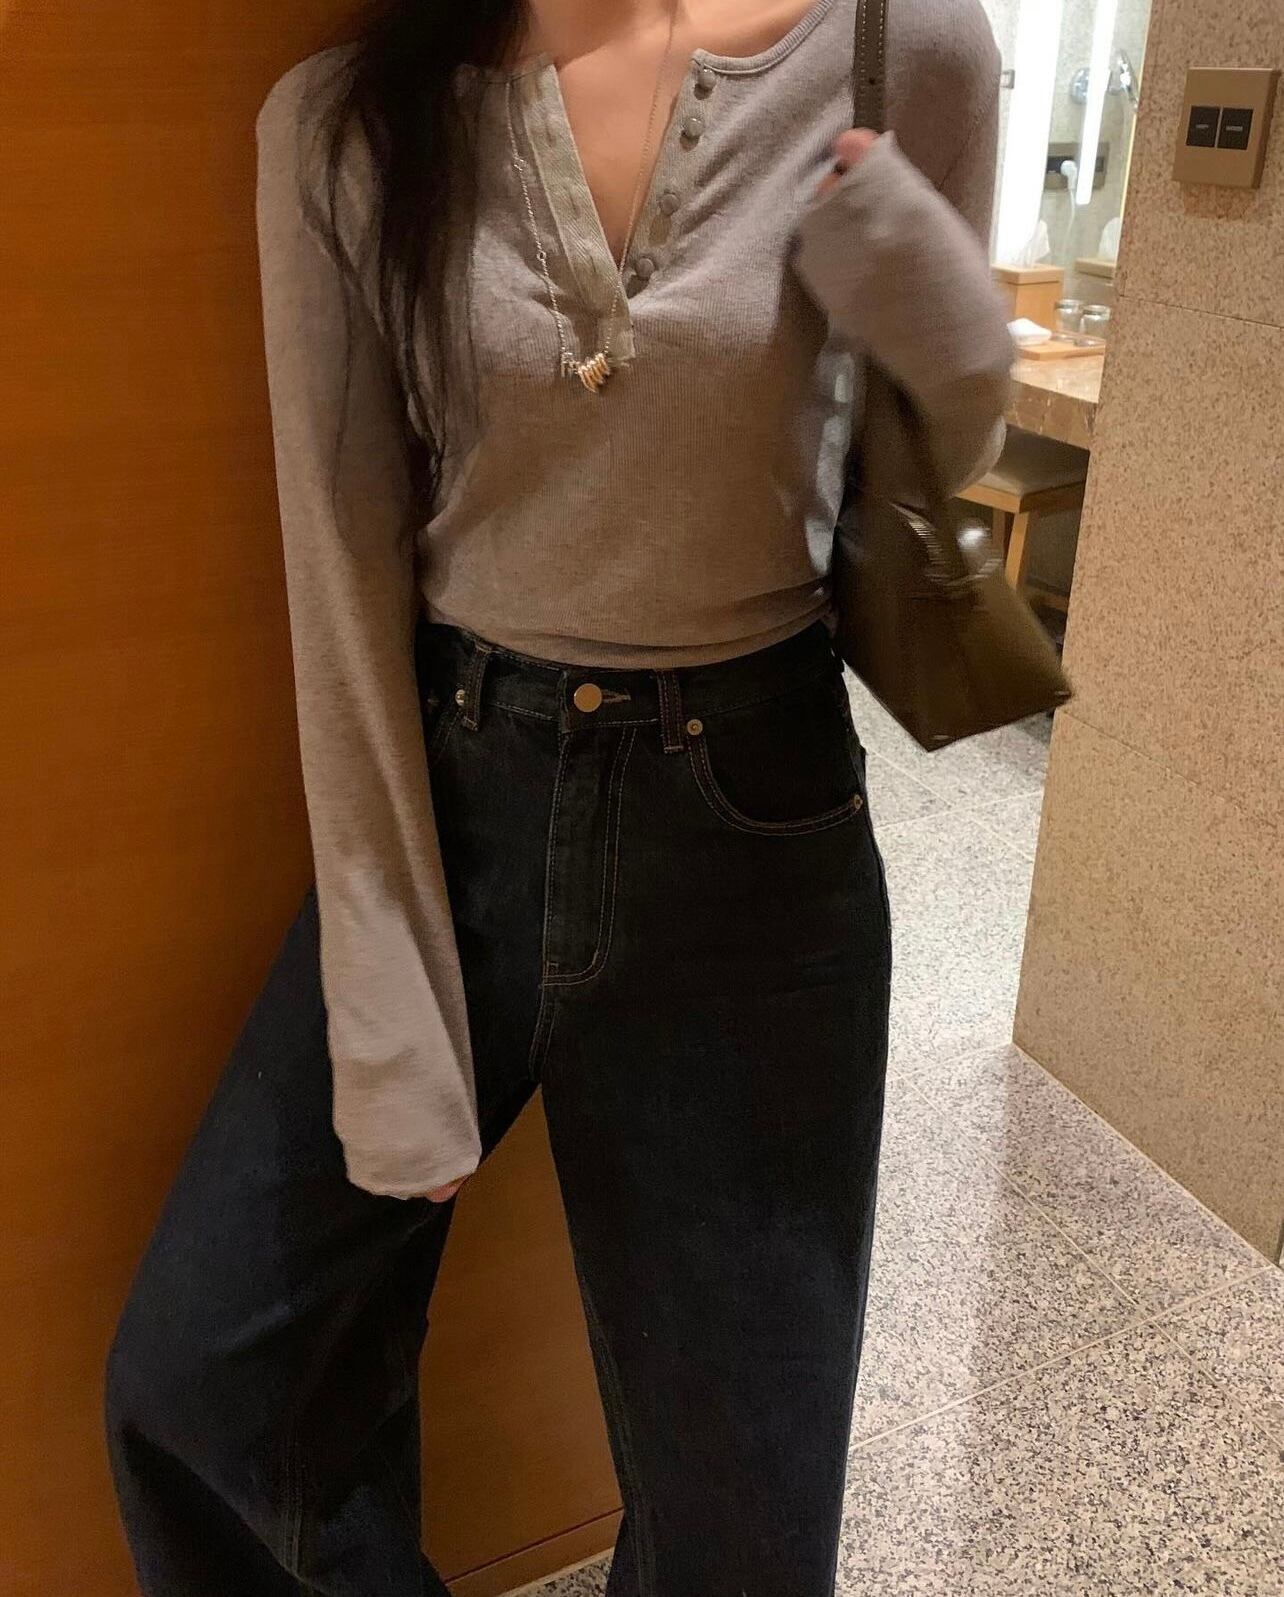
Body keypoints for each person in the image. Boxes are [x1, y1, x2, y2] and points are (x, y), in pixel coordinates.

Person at [104, 0, 1013, 1592]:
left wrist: (958, 349)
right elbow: (340, 571)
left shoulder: (903, 49)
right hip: (460, 797)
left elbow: (919, 473)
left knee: (739, 1537)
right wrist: (387, 989)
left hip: (753, 834)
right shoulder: (345, 120)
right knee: (207, 1385)